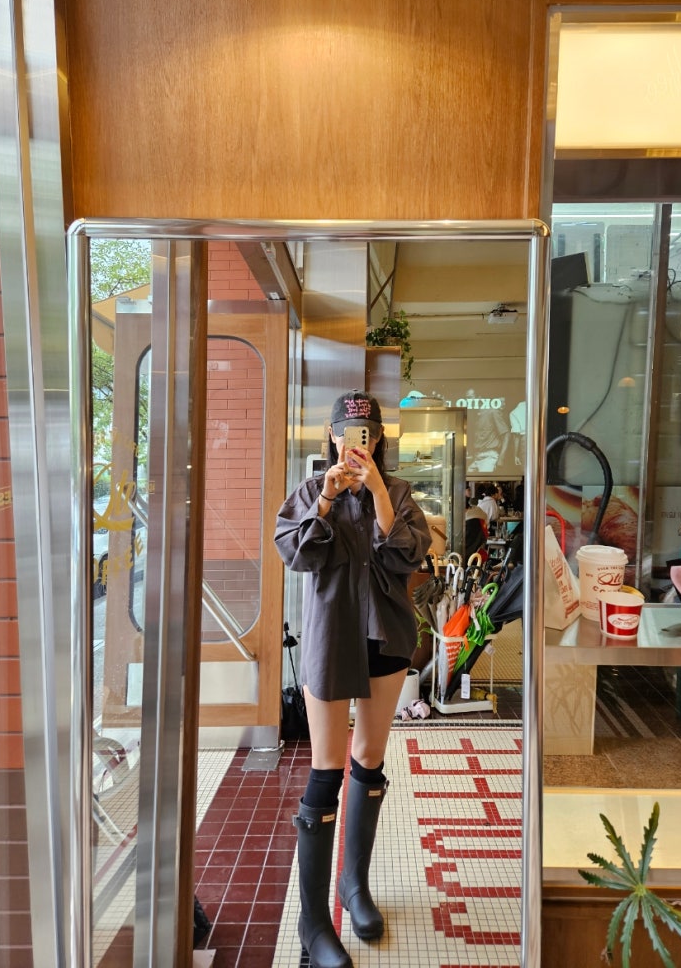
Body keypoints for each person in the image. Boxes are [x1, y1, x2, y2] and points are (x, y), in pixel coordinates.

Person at [274, 390, 431, 968]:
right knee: (326, 766)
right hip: (331, 641)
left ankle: (354, 885)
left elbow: (408, 555)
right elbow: (296, 554)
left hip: (386, 639)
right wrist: (327, 498)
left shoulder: (400, 493)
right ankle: (313, 922)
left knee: (368, 758)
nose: (355, 442)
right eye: (346, 432)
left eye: (365, 433)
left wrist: (379, 492)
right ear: (333, 436)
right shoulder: (312, 491)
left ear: (379, 438)